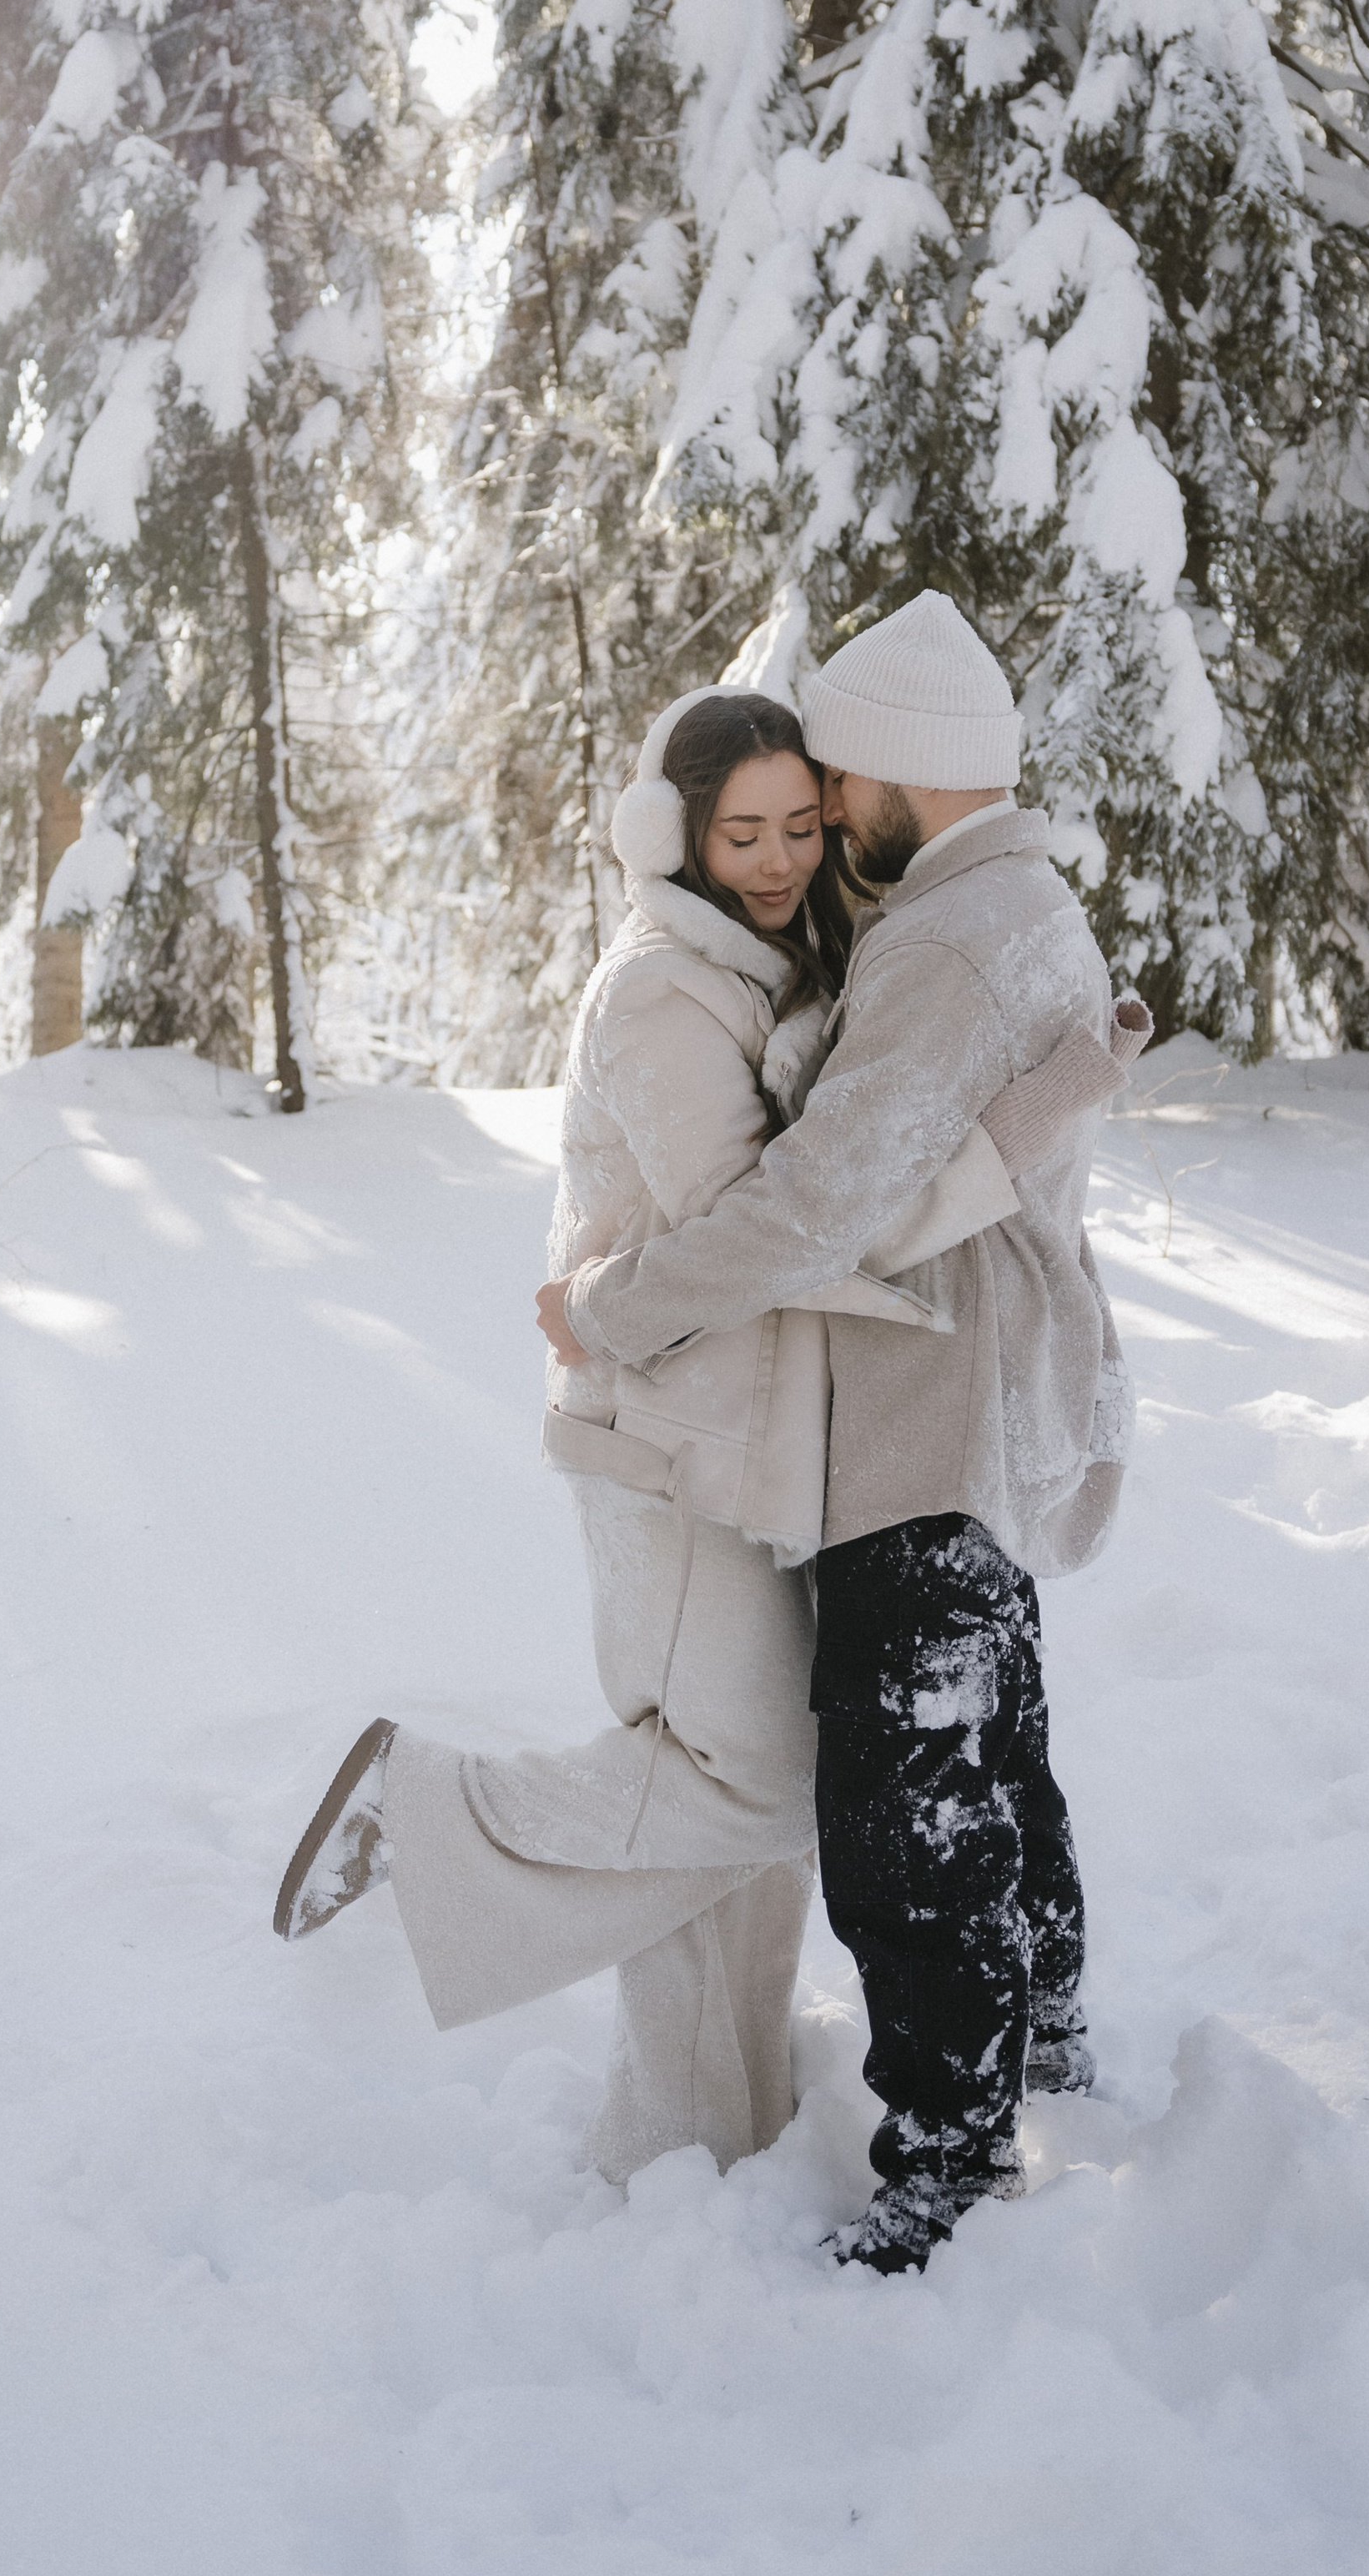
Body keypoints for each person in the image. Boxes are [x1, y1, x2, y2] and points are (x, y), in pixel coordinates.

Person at [273, 683, 1121, 2188]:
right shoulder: (665, 992)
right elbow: (767, 1224)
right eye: (744, 834)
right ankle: (428, 1816)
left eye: (800, 826)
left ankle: (697, 2138)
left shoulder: (783, 967)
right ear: (673, 838)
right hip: (664, 1447)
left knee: (735, 1802)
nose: (782, 858)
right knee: (760, 1785)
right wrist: (998, 1140)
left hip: (753, 1446)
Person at [536, 594, 1148, 2274]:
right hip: (978, 1406)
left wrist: (613, 1306)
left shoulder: (944, 940)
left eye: (835, 791)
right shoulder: (1007, 901)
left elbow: (816, 1203)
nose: (817, 828)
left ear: (900, 777)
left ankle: (946, 2163)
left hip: (928, 1414)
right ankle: (1047, 2032)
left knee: (905, 1812)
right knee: (994, 1749)